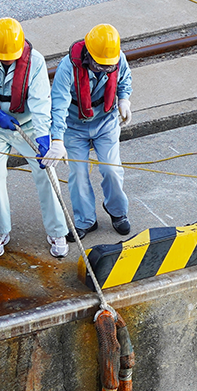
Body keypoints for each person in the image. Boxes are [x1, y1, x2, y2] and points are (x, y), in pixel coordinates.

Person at [0, 18, 69, 258]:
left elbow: (41, 103)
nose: (8, 59)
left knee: (46, 172)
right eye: (3, 56)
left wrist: (43, 138)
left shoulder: (36, 62)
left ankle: (57, 230)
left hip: (28, 126)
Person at [42, 24, 134, 239]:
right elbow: (58, 105)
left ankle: (117, 212)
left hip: (106, 122)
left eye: (109, 67)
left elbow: (124, 79)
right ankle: (85, 220)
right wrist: (57, 140)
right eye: (100, 66)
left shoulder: (116, 57)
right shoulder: (68, 68)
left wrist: (124, 100)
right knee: (79, 174)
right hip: (74, 127)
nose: (105, 70)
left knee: (112, 170)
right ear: (88, 55)